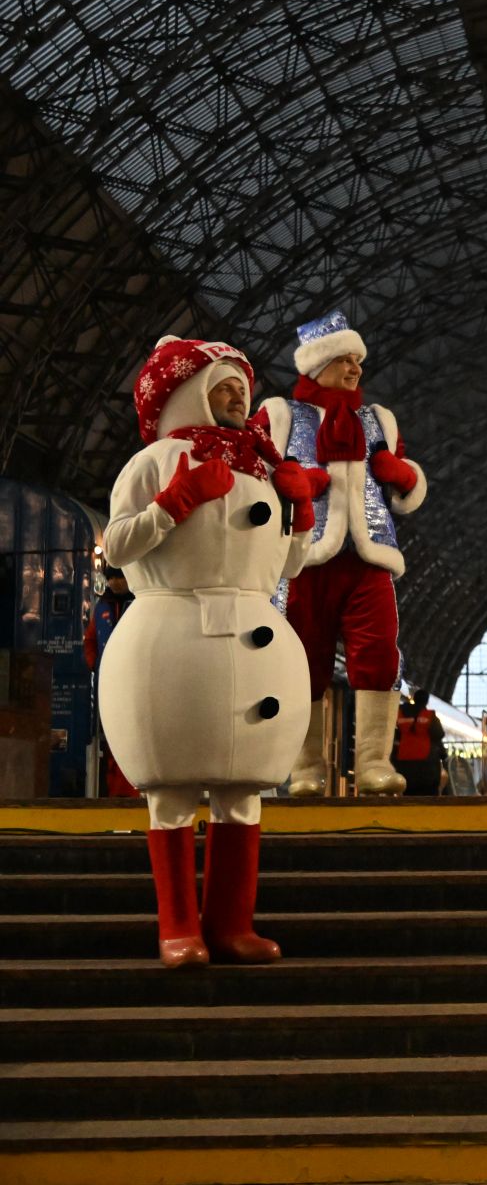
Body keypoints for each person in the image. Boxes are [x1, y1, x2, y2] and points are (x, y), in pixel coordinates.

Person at [100, 334, 318, 967]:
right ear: (186, 394)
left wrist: (300, 516)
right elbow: (116, 546)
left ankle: (230, 923)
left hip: (250, 635)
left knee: (242, 792)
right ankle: (177, 926)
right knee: (170, 791)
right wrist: (174, 504)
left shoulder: (262, 468)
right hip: (172, 634)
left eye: (240, 389)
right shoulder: (155, 461)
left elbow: (286, 567)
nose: (234, 398)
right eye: (220, 387)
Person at [258, 310, 427, 797]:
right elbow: (252, 475)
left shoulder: (379, 421)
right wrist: (294, 484)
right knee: (302, 659)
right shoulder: (281, 415)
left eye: (359, 361)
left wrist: (403, 475)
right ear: (318, 364)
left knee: (378, 654)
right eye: (346, 359)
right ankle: (305, 767)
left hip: (369, 558)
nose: (356, 369)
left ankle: (374, 761)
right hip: (306, 558)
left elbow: (403, 491)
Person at [84, 565, 139, 798]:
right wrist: (94, 664)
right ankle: (113, 791)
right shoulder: (102, 607)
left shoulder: (140, 605)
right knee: (109, 739)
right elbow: (90, 641)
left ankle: (132, 791)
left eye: (120, 577)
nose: (115, 582)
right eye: (111, 578)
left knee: (133, 735)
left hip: (134, 681)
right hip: (108, 684)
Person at [392, 687, 445, 796]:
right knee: (429, 797)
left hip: (404, 764)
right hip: (427, 766)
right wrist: (443, 754)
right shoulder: (430, 717)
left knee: (408, 796)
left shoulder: (400, 714)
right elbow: (439, 734)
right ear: (426, 701)